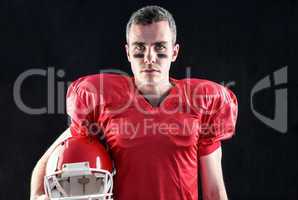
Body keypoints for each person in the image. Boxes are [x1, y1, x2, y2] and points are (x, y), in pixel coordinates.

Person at [30, 5, 238, 200]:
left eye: (160, 47)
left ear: (174, 52)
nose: (149, 57)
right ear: (128, 52)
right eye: (140, 48)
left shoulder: (201, 103)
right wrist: (38, 195)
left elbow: (214, 191)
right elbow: (57, 153)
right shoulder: (102, 99)